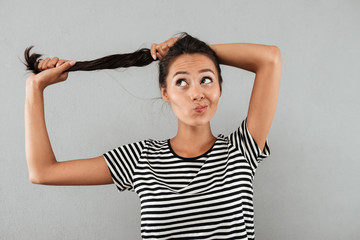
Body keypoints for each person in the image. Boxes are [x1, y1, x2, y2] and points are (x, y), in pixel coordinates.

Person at [24, 32, 282, 239]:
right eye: (181, 82)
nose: (197, 93)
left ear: (219, 88)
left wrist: (195, 50)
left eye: (206, 79)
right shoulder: (140, 158)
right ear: (165, 92)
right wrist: (35, 89)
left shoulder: (242, 149)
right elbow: (43, 172)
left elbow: (270, 58)